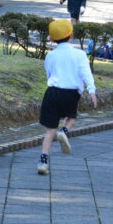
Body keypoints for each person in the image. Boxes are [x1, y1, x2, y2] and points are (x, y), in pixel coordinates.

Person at [36, 19, 97, 175]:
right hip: (70, 93)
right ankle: (64, 131)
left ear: (52, 38)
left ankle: (43, 161)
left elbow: (48, 74)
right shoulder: (79, 54)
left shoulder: (50, 55)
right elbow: (86, 73)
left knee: (49, 131)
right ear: (71, 35)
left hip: (52, 93)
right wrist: (92, 90)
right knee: (71, 117)